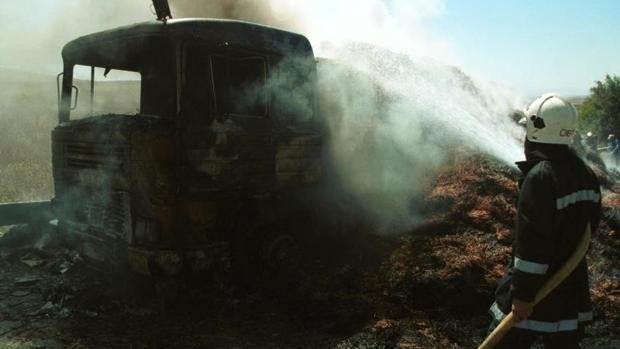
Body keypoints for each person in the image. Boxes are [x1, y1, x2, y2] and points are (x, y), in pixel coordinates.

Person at [487, 93, 601, 348]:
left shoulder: (540, 178)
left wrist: (524, 295)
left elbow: (531, 243)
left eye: (527, 130)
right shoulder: (585, 174)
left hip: (536, 295)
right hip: (569, 289)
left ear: (536, 133)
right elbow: (589, 229)